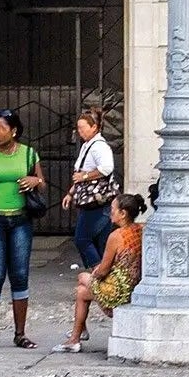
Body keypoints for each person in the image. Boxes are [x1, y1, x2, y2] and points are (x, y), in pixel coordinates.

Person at [0, 109, 45, 349]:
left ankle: (20, 334)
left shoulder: (29, 155)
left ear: (14, 131)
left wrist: (36, 181)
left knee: (20, 275)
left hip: (21, 221)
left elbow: (42, 184)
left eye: (2, 128)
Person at [62, 193, 146, 352]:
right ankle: (77, 335)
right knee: (82, 291)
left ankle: (76, 337)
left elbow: (103, 270)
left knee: (82, 279)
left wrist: (92, 276)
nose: (110, 212)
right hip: (133, 285)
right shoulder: (139, 230)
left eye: (113, 209)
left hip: (118, 291)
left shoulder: (116, 236)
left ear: (123, 214)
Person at [64, 109, 119, 273]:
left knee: (82, 238)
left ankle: (98, 272)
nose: (79, 132)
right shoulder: (88, 145)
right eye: (78, 128)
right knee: (99, 242)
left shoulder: (98, 147)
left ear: (94, 127)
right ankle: (104, 273)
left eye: (82, 128)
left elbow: (106, 168)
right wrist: (71, 192)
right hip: (91, 201)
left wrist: (85, 176)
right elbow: (80, 174)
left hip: (96, 202)